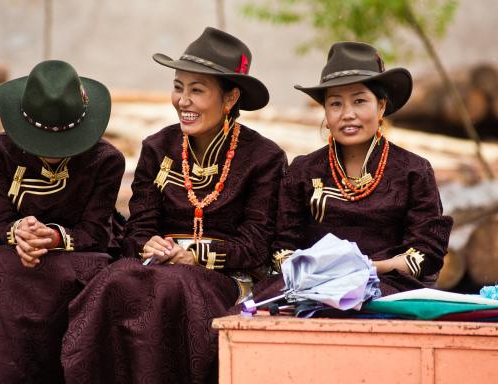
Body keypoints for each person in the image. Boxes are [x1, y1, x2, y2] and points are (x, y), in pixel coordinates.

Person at [61, 27, 287, 383]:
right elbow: (137, 231)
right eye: (178, 87)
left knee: (167, 290)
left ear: (229, 99)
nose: (183, 100)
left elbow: (257, 244)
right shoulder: (158, 147)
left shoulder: (264, 157)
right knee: (112, 282)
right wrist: (147, 244)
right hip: (157, 266)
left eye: (197, 90)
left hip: (222, 278)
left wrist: (196, 255)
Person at [0, 60, 125, 383]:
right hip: (14, 252)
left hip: (82, 253)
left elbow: (96, 232)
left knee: (93, 281)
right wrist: (21, 232)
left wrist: (53, 238)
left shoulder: (106, 161)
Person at [254, 41, 453, 303]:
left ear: (381, 106)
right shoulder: (303, 170)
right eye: (336, 104)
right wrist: (319, 270)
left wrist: (370, 268)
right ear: (325, 111)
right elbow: (282, 247)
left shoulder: (414, 171)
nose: (348, 114)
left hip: (386, 285)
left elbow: (426, 252)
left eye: (359, 101)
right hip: (310, 285)